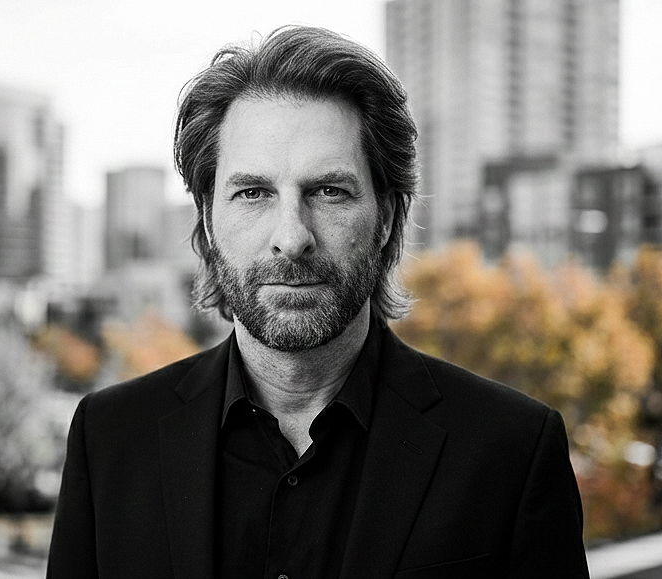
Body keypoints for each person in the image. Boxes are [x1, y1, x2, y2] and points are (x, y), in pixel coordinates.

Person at [47, 26, 589, 578]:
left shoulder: (512, 452)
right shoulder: (109, 439)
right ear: (209, 222)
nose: (292, 236)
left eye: (329, 191)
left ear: (388, 219)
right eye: (253, 193)